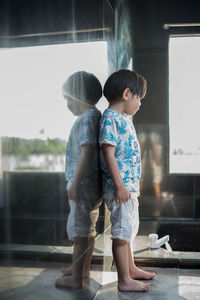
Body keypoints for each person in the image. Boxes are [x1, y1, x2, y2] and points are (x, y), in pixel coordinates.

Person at [99, 69, 155, 292]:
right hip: (119, 188)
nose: (139, 103)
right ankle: (123, 280)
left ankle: (130, 269)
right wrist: (121, 186)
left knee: (129, 230)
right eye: (138, 97)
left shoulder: (122, 118)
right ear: (126, 94)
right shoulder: (110, 118)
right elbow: (108, 153)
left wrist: (132, 184)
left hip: (128, 188)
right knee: (121, 233)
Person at [56, 71, 102, 289]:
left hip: (82, 186)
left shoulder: (86, 119)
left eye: (68, 99)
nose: (67, 105)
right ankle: (82, 269)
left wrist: (74, 183)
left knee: (78, 232)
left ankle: (76, 280)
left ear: (77, 94)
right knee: (89, 230)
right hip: (93, 186)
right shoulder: (95, 116)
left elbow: (87, 152)